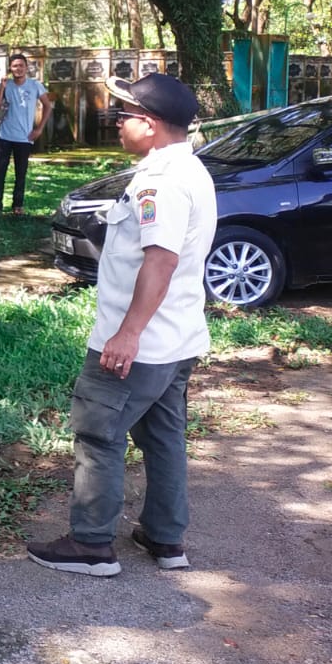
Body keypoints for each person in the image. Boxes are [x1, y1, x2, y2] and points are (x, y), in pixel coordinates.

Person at [28, 73, 216, 576]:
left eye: (123, 115)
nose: (115, 123)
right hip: (177, 338)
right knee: (164, 437)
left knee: (98, 436)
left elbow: (161, 260)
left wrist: (128, 333)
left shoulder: (161, 181)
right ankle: (166, 538)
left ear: (150, 125)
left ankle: (91, 545)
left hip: (141, 343)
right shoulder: (191, 168)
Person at [0, 53, 53, 215]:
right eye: (15, 66)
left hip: (25, 137)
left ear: (26, 67)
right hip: (4, 135)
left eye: (21, 65)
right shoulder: (6, 85)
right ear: (10, 68)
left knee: (21, 173)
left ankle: (17, 206)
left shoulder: (35, 85)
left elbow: (47, 106)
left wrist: (39, 129)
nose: (18, 69)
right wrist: (2, 88)